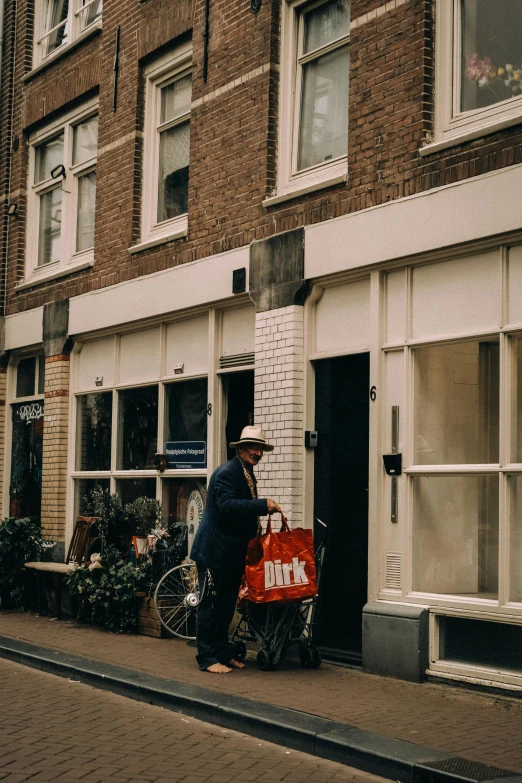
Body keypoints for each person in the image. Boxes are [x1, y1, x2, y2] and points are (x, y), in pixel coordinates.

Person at [190, 425, 282, 673]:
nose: (258, 453)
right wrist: (263, 505)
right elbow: (228, 506)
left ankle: (222, 653)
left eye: (261, 448)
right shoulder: (226, 473)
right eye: (253, 447)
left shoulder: (245, 472)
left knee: (226, 606)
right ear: (240, 448)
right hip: (213, 553)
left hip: (230, 554)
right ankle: (208, 658)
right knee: (210, 605)